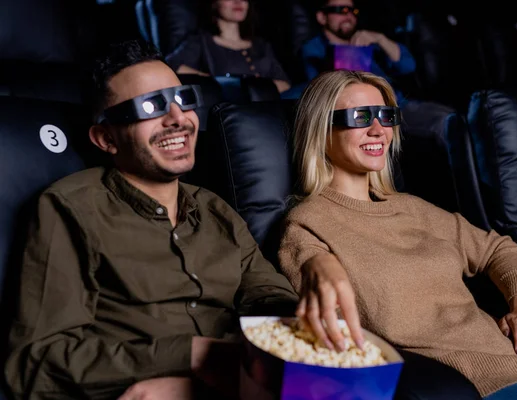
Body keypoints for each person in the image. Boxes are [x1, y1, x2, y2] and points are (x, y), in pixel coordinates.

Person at [4, 39, 299, 400]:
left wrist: (301, 314)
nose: (178, 119)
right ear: (106, 138)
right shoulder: (69, 208)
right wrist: (195, 355)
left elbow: (267, 295)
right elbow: (37, 362)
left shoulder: (216, 209)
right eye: (150, 106)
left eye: (183, 99)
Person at [278, 70, 517, 399]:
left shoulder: (413, 208)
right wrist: (322, 268)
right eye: (360, 116)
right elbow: (313, 278)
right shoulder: (308, 222)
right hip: (467, 382)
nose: (378, 130)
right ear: (322, 129)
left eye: (385, 116)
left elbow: (500, 249)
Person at [300, 0, 415, 103]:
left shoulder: (367, 42)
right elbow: (320, 90)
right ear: (322, 17)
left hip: (398, 103)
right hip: (362, 107)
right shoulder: (314, 49)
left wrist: (380, 39)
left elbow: (408, 66)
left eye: (352, 11)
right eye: (340, 10)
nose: (348, 15)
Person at [166, 0, 291, 93]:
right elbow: (171, 66)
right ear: (213, 3)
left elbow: (285, 83)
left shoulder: (261, 45)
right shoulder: (200, 42)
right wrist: (219, 82)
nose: (238, 2)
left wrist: (257, 89)